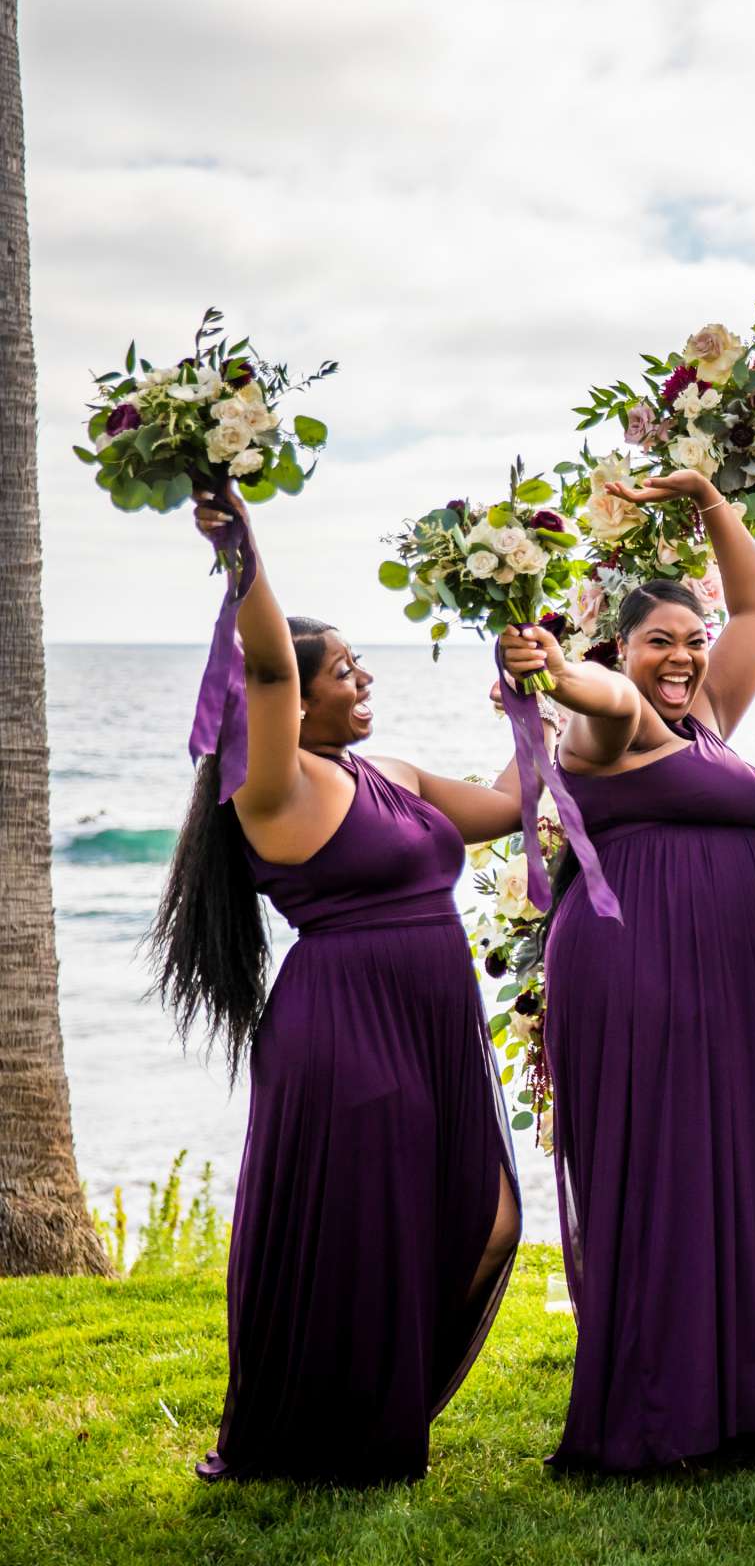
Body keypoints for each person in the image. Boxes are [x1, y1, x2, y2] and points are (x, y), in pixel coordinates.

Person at [151, 490, 522, 1485]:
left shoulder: (388, 768)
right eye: (344, 669)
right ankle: (331, 1436)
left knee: (487, 1220)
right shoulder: (269, 790)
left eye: (363, 663)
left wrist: (539, 691)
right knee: (366, 1229)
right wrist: (243, 550)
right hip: (345, 1025)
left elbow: (508, 805)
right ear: (295, 701)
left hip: (436, 1021)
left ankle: (379, 1405)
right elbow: (265, 660)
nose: (364, 678)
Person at [511, 466, 755, 1472]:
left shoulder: (712, 713)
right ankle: (655, 1408)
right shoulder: (616, 721)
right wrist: (556, 668)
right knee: (664, 1168)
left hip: (733, 981)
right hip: (640, 969)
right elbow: (596, 696)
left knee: (733, 1163)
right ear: (621, 651)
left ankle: (737, 1401)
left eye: (691, 641)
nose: (679, 659)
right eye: (657, 644)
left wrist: (707, 497)